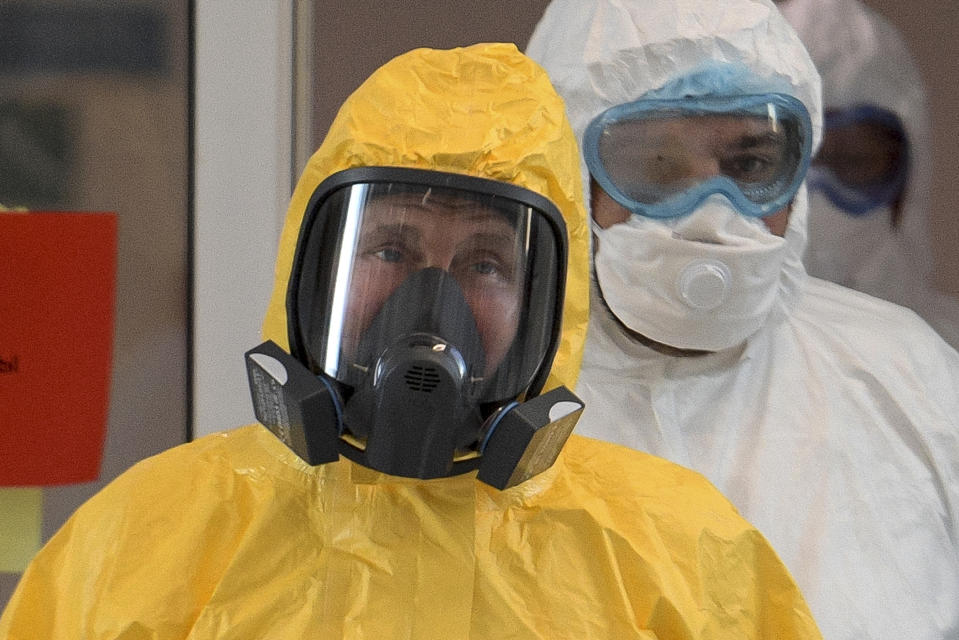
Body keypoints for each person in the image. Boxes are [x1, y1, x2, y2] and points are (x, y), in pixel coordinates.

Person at [0, 43, 822, 639]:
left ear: (551, 301)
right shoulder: (147, 543)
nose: (433, 302)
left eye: (485, 263)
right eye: (390, 249)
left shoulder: (677, 557)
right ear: (312, 267)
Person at [526, 1, 959, 639]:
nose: (710, 214)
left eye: (752, 165)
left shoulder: (909, 381)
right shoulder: (495, 407)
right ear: (562, 172)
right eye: (655, 165)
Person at [776, 0, 959, 349]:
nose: (813, 199)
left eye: (855, 160)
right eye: (790, 159)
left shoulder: (949, 359)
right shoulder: (692, 368)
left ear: (909, 177)